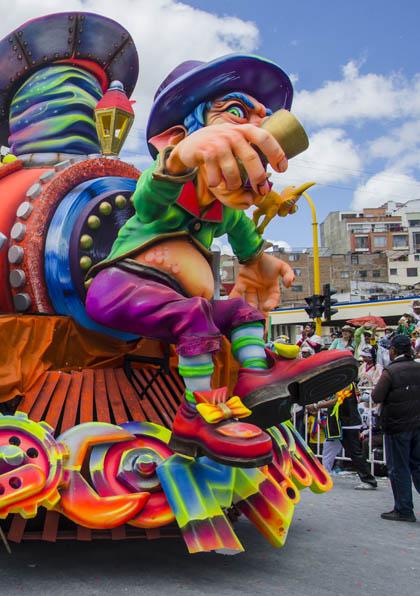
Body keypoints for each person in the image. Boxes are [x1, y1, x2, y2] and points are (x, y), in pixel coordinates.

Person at [83, 54, 356, 467]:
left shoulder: (225, 212)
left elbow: (246, 241)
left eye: (261, 121)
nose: (254, 130)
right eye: (234, 113)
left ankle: (258, 380)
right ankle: (197, 414)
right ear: (180, 134)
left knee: (241, 311)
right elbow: (148, 201)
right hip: (119, 289)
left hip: (175, 303)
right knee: (194, 314)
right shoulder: (166, 182)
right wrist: (178, 159)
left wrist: (259, 262)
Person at [372, 334, 420, 522]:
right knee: (417, 465)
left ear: (394, 350)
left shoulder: (391, 372)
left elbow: (376, 396)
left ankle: (404, 509)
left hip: (398, 426)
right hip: (418, 424)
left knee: (398, 468)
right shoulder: (418, 368)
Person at [308, 385, 377, 489]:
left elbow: (337, 400)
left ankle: (369, 480)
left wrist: (316, 406)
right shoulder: (339, 382)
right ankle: (324, 475)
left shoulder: (347, 384)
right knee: (328, 448)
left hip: (348, 423)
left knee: (354, 452)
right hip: (336, 423)